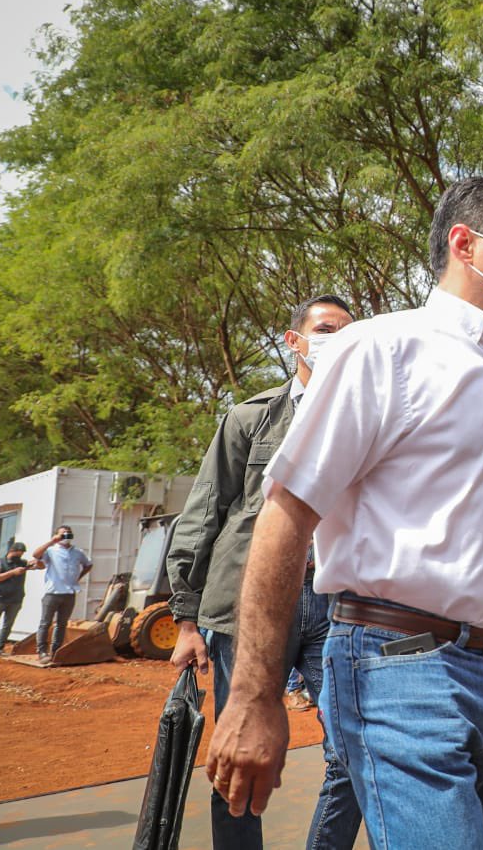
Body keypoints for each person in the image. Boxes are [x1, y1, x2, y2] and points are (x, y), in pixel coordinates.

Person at [205, 177, 483, 850]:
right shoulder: (382, 352)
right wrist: (252, 696)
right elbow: (285, 514)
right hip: (402, 667)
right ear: (464, 242)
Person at [166, 294, 361, 849]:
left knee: (349, 749)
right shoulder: (250, 418)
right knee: (238, 757)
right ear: (292, 340)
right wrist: (185, 620)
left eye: (348, 332)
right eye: (325, 329)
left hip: (335, 605)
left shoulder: (372, 418)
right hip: (247, 608)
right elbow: (205, 512)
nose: (337, 340)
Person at [29, 526, 92, 665]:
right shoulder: (51, 551)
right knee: (45, 623)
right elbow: (36, 555)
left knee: (62, 624)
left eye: (68, 533)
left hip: (69, 593)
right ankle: (42, 651)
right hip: (53, 592)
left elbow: (88, 564)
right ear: (56, 535)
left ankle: (56, 650)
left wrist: (78, 578)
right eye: (62, 534)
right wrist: (51, 541)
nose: (66, 536)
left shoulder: (78, 552)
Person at [0, 542, 32, 656]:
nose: (20, 556)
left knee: (8, 625)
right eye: (18, 553)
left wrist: (36, 563)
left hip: (16, 599)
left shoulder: (22, 563)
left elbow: (39, 566)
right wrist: (12, 572)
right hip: (0, 598)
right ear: (12, 551)